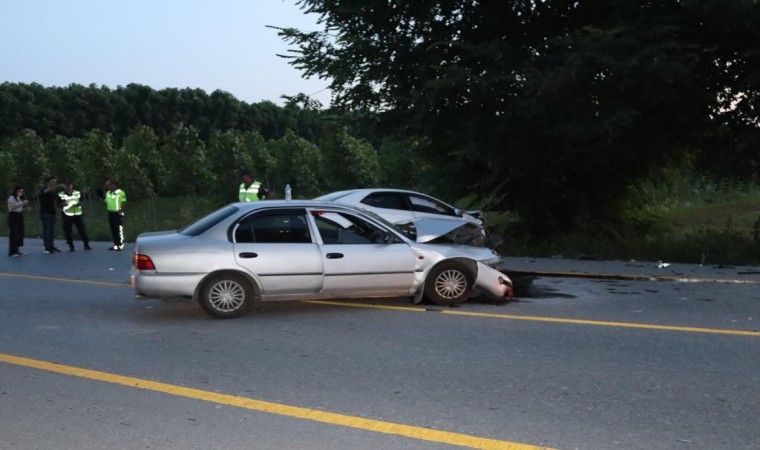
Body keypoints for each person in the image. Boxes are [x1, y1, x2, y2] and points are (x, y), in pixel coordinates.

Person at [58, 182, 92, 251]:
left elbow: (82, 201)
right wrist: (63, 205)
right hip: (66, 215)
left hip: (77, 214)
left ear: (72, 186)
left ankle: (86, 245)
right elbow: (58, 204)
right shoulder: (61, 194)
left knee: (82, 230)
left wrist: (79, 204)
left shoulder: (77, 193)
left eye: (69, 185)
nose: (68, 187)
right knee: (68, 231)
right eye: (66, 186)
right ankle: (71, 246)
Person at [39, 176, 66, 253]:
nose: (54, 183)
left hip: (52, 213)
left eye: (55, 182)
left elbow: (57, 202)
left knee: (52, 231)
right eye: (52, 181)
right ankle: (47, 247)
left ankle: (51, 246)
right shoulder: (44, 190)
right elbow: (46, 191)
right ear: (48, 182)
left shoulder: (53, 193)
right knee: (46, 231)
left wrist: (63, 204)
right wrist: (59, 185)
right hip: (45, 213)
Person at [104, 179, 127, 251]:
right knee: (113, 229)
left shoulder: (120, 192)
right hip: (110, 213)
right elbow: (106, 201)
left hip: (117, 213)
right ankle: (116, 244)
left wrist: (121, 211)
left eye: (109, 185)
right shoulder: (108, 193)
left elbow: (123, 202)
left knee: (118, 229)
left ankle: (120, 244)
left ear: (113, 185)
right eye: (107, 185)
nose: (108, 186)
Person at [7, 186, 29, 257]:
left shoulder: (18, 198)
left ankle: (17, 250)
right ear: (16, 191)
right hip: (14, 216)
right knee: (14, 233)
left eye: (22, 192)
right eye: (20, 191)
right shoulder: (11, 198)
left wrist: (24, 206)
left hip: (19, 215)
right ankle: (12, 252)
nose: (21, 193)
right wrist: (22, 203)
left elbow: (19, 207)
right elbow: (12, 207)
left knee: (20, 232)